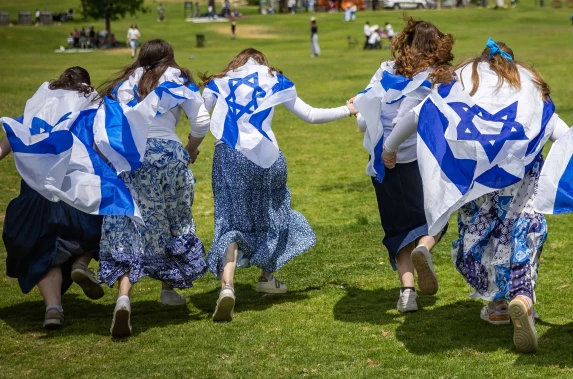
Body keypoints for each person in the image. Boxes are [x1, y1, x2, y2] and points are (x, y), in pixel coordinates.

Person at [382, 39, 568, 354]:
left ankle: (496, 305)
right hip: (521, 186)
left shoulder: (463, 84)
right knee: (522, 240)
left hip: (476, 183)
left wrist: (389, 149)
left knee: (484, 242)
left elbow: (419, 115)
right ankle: (522, 298)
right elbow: (563, 135)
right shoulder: (528, 91)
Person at [201, 49, 356, 322]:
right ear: (263, 62)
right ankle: (267, 275)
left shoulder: (221, 81)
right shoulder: (274, 78)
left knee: (230, 220)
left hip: (229, 156)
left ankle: (227, 285)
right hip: (267, 157)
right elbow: (310, 114)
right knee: (275, 214)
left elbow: (200, 117)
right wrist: (348, 109)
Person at [96, 40, 210, 338]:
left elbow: (114, 123)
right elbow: (201, 120)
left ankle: (124, 297)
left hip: (134, 157)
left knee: (130, 224)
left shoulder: (125, 83)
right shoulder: (177, 78)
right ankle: (168, 290)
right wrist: (190, 149)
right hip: (170, 153)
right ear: (169, 57)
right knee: (175, 219)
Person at [351, 19, 454, 314]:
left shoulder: (385, 69)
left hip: (381, 166)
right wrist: (391, 148)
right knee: (439, 214)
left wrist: (365, 123)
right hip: (416, 160)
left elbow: (364, 115)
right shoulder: (435, 77)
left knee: (397, 230)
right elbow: (415, 119)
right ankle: (425, 248)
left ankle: (407, 293)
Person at [0, 68, 107, 329]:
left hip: (38, 194)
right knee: (102, 226)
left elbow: (9, 141)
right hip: (75, 190)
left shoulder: (39, 108)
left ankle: (53, 309)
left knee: (43, 250)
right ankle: (82, 263)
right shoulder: (89, 109)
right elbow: (102, 145)